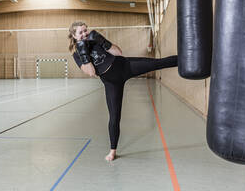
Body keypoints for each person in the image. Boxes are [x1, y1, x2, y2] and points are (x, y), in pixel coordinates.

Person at [68, 21, 178, 161]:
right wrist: (84, 54)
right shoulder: (76, 55)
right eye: (80, 32)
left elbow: (118, 52)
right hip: (111, 83)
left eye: (85, 31)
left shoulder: (95, 40)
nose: (84, 34)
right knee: (114, 117)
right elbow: (91, 72)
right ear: (74, 35)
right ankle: (112, 151)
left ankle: (187, 58)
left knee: (157, 63)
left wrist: (103, 42)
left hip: (126, 66)